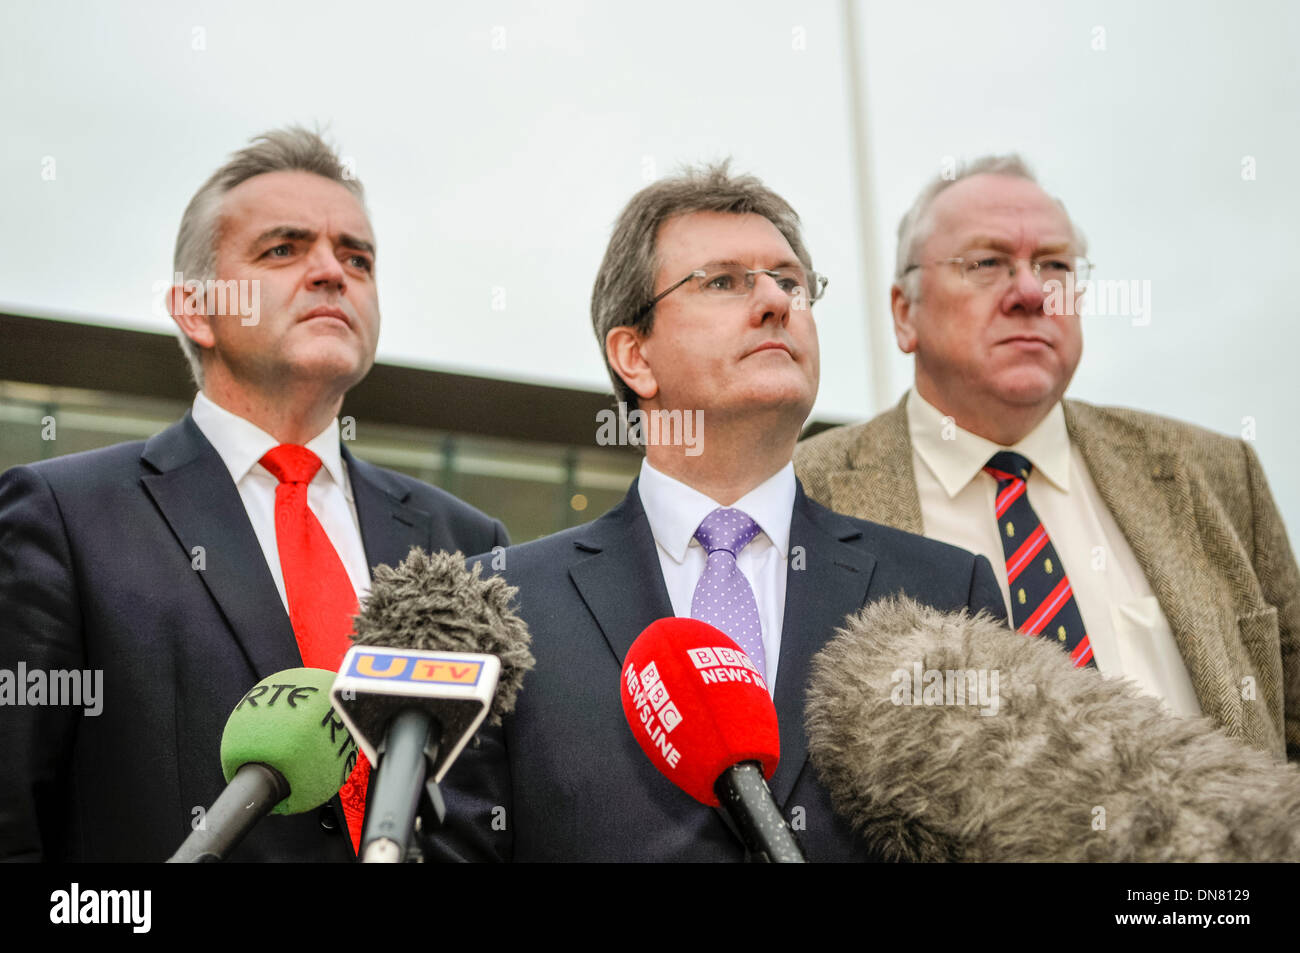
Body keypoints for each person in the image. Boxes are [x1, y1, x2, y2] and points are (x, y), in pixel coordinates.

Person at [428, 162, 1007, 862]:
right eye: (725, 281)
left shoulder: (947, 593)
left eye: (790, 281)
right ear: (634, 355)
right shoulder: (496, 605)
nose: (775, 302)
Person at [0, 127, 508, 861]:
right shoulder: (63, 517)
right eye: (284, 249)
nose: (333, 272)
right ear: (195, 309)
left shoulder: (466, 542)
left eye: (357, 257)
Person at [796, 155, 1299, 762]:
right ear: (905, 313)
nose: (1032, 292)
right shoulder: (806, 492)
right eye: (987, 263)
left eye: (1054, 265)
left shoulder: (1215, 474)